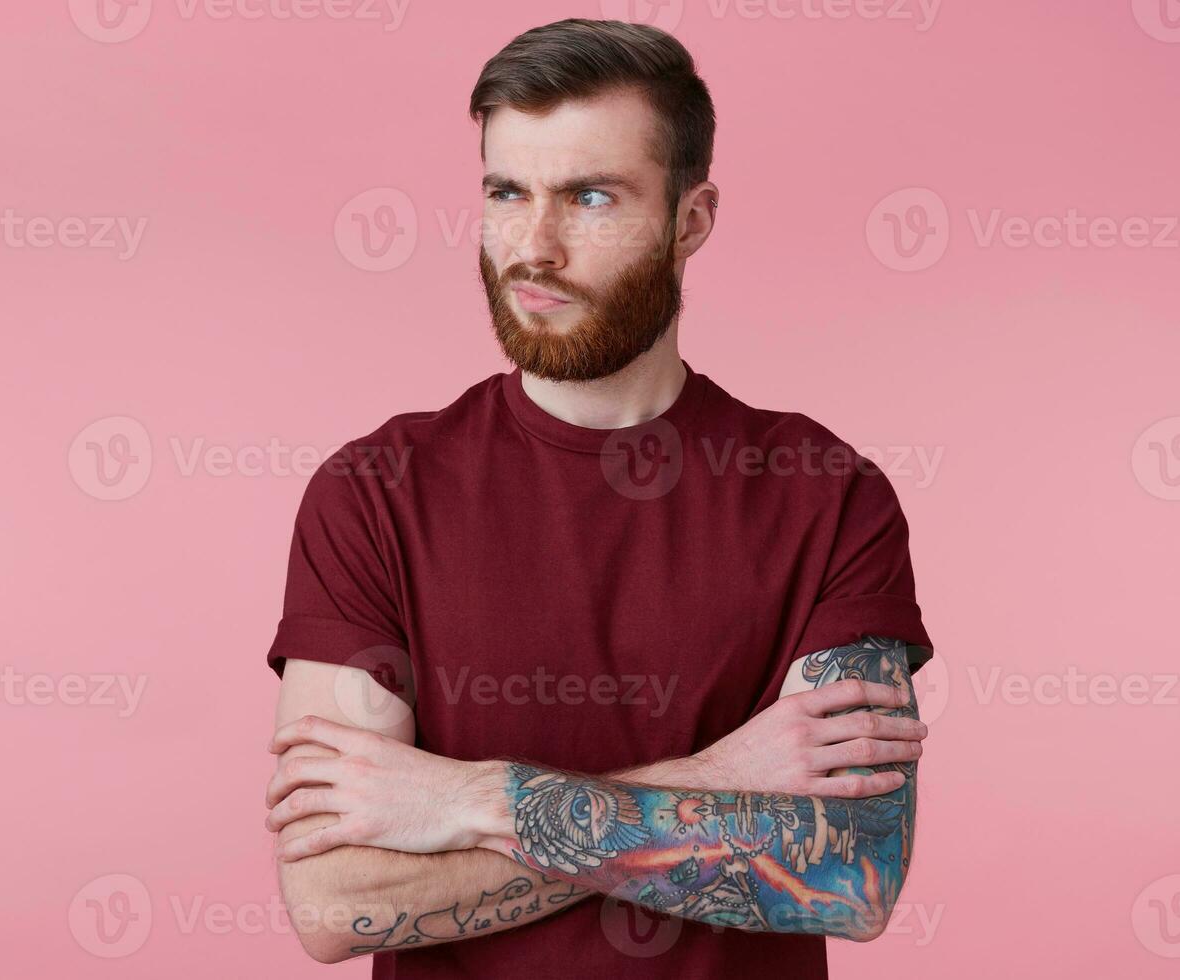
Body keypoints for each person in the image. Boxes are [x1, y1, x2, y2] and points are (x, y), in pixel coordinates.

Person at [263, 18, 934, 979]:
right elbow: (336, 905)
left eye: (590, 197)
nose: (535, 248)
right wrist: (718, 778)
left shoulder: (828, 492)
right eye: (506, 192)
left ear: (690, 221)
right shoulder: (372, 492)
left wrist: (464, 800)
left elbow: (848, 879)